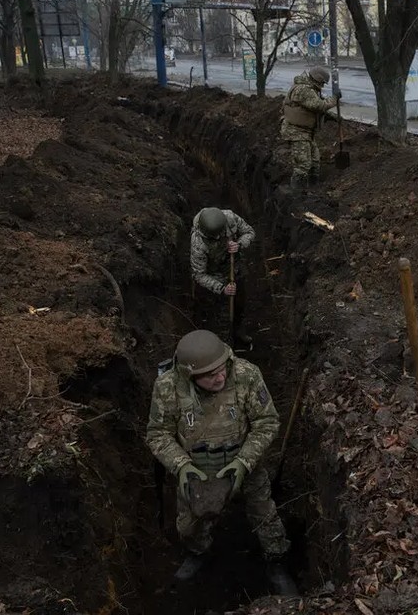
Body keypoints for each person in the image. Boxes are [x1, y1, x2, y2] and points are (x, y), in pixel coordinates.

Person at [146, 329, 297, 594]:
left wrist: (244, 461)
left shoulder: (246, 375)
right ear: (190, 375)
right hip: (197, 470)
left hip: (244, 463)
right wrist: (181, 466)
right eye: (210, 375)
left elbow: (267, 421)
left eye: (222, 368)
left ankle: (277, 563)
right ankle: (198, 552)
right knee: (189, 526)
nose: (220, 377)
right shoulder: (168, 387)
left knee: (266, 516)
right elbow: (158, 434)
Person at [190, 207, 255, 347]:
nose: (220, 238)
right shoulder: (198, 243)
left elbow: (249, 232)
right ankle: (220, 342)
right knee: (218, 313)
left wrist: (239, 244)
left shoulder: (230, 218)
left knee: (239, 303)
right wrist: (221, 288)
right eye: (215, 237)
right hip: (215, 275)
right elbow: (199, 274)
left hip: (234, 267)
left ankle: (237, 332)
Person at [279, 65, 341, 188]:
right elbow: (318, 105)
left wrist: (330, 116)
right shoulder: (303, 89)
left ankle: (313, 191)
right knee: (303, 165)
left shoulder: (310, 89)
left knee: (315, 162)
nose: (322, 86)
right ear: (316, 79)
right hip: (296, 132)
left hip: (306, 133)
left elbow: (309, 109)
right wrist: (334, 99)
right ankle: (296, 195)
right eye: (322, 83)